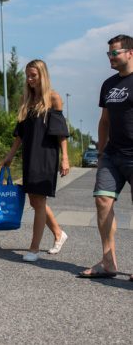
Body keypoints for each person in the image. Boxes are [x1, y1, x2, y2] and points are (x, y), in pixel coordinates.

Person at [1, 59, 70, 262]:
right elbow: (20, 135)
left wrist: (65, 158)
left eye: (34, 75)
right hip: (30, 155)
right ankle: (58, 233)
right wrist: (9, 156)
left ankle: (34, 249)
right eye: (28, 76)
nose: (30, 79)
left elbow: (61, 134)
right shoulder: (26, 100)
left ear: (43, 75)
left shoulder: (54, 98)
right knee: (34, 200)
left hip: (46, 155)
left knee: (39, 200)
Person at [79, 34, 133, 279]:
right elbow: (104, 121)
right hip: (112, 154)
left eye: (115, 53)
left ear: (130, 53)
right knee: (102, 201)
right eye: (108, 53)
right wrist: (101, 152)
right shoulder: (108, 84)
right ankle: (109, 261)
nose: (110, 57)